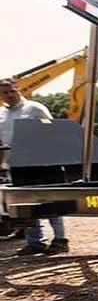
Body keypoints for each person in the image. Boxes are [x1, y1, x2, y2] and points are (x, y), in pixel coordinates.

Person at [0, 78, 69, 255]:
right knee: (25, 202)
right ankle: (35, 242)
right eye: (4, 93)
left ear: (18, 90)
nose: (9, 95)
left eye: (11, 91)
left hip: (42, 162)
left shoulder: (35, 109)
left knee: (52, 201)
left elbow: (52, 131)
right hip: (17, 164)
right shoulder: (1, 115)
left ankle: (60, 240)